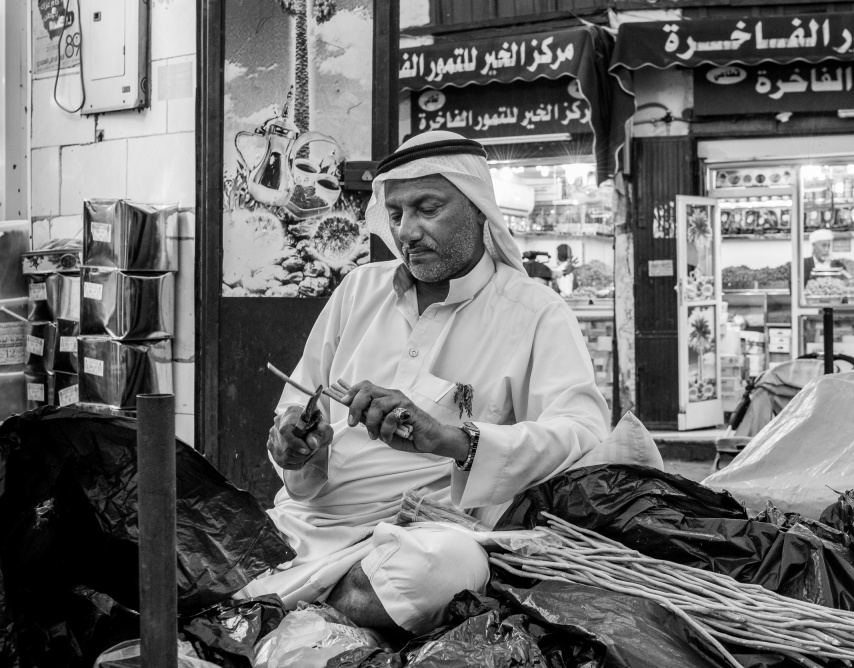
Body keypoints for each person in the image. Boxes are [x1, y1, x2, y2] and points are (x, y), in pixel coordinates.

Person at [236, 131, 611, 637]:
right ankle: (321, 609)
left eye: (427, 209)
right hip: (310, 523)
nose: (406, 231)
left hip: (417, 536)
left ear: (478, 209)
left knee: (449, 567)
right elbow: (299, 400)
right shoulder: (358, 289)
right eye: (395, 215)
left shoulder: (534, 312)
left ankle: (285, 610)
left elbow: (584, 434)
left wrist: (453, 439)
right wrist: (294, 444)